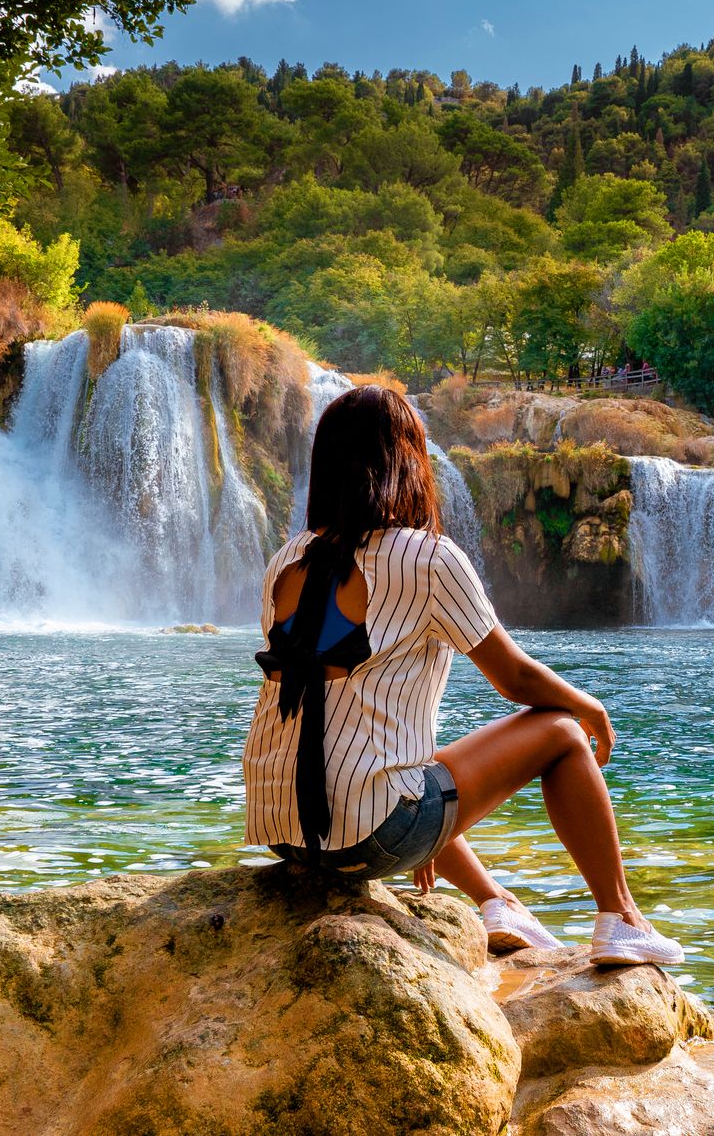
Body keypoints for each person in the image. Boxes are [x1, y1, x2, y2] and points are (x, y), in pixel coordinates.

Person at [243, 385, 683, 967]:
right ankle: (621, 918)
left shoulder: (287, 558)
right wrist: (590, 707)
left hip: (285, 832)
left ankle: (496, 902)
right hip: (368, 835)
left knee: (407, 766)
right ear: (407, 460)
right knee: (560, 730)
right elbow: (517, 679)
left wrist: (429, 810)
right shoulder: (427, 558)